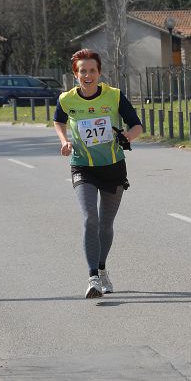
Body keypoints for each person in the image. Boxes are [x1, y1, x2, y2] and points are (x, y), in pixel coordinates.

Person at [53, 49, 142, 298]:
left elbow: (136, 124)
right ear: (76, 74)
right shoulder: (67, 99)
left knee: (105, 224)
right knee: (89, 218)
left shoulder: (114, 96)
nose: (88, 75)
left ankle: (102, 269)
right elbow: (58, 120)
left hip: (113, 166)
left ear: (99, 72)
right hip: (82, 166)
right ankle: (92, 277)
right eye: (83, 71)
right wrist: (64, 140)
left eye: (92, 70)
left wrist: (128, 135)